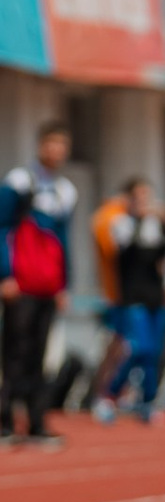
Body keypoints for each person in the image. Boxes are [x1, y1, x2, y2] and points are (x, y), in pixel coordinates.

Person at [2, 123, 79, 449]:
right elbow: (2, 228)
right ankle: (5, 421)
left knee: (41, 354)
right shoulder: (19, 182)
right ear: (40, 145)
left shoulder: (65, 191)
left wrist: (65, 284)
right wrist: (5, 274)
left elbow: (64, 241)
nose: (56, 150)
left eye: (62, 144)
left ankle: (36, 421)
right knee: (15, 352)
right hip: (20, 284)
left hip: (48, 285)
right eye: (51, 143)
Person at [92, 177, 165, 423]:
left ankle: (148, 401)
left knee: (153, 353)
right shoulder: (119, 223)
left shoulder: (157, 226)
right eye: (137, 196)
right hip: (131, 296)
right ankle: (110, 394)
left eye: (146, 196)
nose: (143, 202)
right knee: (139, 348)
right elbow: (121, 251)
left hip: (156, 297)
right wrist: (136, 219)